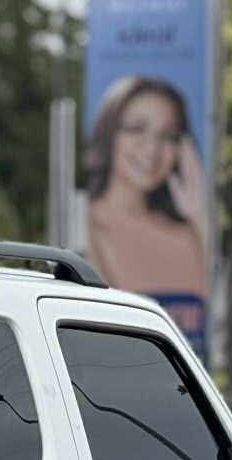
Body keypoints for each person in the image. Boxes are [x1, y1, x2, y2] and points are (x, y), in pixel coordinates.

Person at [82, 75, 209, 303]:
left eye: (167, 136)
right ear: (108, 132)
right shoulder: (84, 226)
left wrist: (197, 217)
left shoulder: (184, 235)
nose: (152, 148)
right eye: (136, 128)